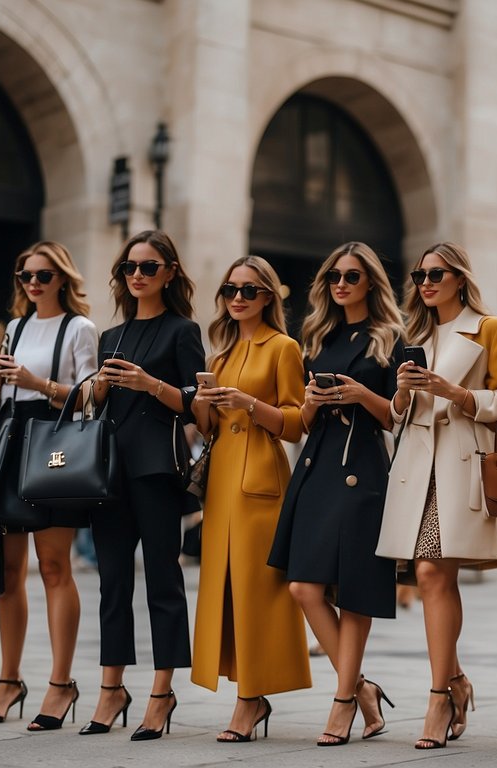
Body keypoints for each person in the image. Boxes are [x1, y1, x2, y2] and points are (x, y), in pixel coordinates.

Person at [374, 242, 497, 750]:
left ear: (459, 277)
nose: (426, 283)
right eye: (419, 275)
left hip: (458, 463)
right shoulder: (414, 335)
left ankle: (439, 695)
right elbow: (397, 415)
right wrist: (407, 392)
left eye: (436, 274)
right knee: (428, 574)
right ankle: (454, 681)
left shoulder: (490, 328)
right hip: (416, 467)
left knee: (433, 573)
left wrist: (455, 393)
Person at [267, 242, 403, 746]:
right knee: (304, 586)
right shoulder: (316, 336)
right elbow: (302, 424)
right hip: (317, 463)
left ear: (370, 281)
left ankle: (344, 700)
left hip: (362, 468)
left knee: (355, 590)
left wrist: (360, 394)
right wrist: (311, 399)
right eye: (333, 278)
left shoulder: (389, 337)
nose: (340, 285)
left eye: (351, 276)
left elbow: (396, 417)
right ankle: (362, 688)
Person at [84, 230, 202, 740]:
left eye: (149, 267)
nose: (137, 275)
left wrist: (150, 384)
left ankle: (161, 690)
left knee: (162, 579)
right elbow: (96, 404)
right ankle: (111, 689)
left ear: (170, 273)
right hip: (108, 469)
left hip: (156, 470)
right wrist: (101, 386)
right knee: (112, 580)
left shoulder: (183, 331)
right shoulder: (111, 336)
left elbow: (198, 407)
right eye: (130, 267)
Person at [0, 241, 98, 730]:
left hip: (53, 444)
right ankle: (9, 679)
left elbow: (91, 395)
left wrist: (34, 380)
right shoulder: (14, 327)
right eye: (25, 276)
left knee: (53, 566)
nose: (32, 284)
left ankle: (61, 683)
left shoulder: (79, 328)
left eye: (43, 276)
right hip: (11, 438)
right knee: (8, 571)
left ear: (62, 279)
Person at [190, 255, 309, 743]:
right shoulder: (217, 357)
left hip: (261, 480)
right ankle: (248, 694)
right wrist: (202, 403)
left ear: (268, 298)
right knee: (224, 590)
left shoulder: (283, 347)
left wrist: (248, 404)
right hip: (221, 484)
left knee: (258, 591)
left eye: (249, 290)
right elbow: (205, 429)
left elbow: (299, 421)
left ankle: (250, 700)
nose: (237, 298)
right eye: (230, 290)